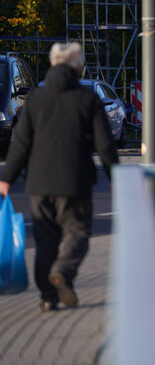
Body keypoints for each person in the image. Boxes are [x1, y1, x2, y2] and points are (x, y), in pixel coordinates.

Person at [0, 42, 118, 312]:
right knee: (77, 233)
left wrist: (6, 177)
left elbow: (21, 145)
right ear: (79, 69)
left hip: (40, 182)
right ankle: (63, 272)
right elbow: (105, 145)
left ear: (52, 65)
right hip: (75, 181)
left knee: (46, 242)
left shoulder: (35, 101)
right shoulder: (88, 100)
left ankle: (47, 298)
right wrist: (116, 177)